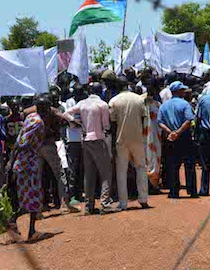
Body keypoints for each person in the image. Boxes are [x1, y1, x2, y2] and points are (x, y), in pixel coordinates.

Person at [64, 82, 115, 214]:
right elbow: (106, 126)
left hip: (85, 140)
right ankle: (105, 204)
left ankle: (88, 205)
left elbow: (66, 113)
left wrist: (76, 123)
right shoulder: (102, 104)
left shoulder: (82, 103)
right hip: (98, 139)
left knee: (89, 173)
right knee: (106, 172)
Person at [8, 96, 47, 240]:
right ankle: (25, 228)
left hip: (22, 163)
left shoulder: (31, 117)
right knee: (32, 198)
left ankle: (26, 228)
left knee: (27, 198)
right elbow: (22, 142)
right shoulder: (38, 122)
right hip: (28, 164)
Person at [109, 76, 150, 211]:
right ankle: (143, 199)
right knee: (141, 168)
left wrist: (114, 143)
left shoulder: (113, 101)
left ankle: (123, 203)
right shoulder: (139, 99)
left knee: (121, 171)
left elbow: (113, 124)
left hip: (121, 140)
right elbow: (144, 117)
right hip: (137, 138)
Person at [158, 81, 197, 199]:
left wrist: (171, 133)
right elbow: (189, 120)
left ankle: (174, 191)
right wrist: (178, 132)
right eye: (182, 90)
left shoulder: (164, 105)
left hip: (170, 138)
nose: (184, 92)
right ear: (178, 91)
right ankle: (192, 190)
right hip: (184, 137)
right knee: (189, 165)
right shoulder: (185, 104)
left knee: (172, 165)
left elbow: (160, 122)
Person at [63, 83, 86, 203]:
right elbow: (68, 117)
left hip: (84, 137)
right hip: (73, 139)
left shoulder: (85, 102)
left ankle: (80, 192)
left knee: (82, 167)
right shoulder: (69, 102)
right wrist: (77, 123)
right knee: (73, 167)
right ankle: (72, 194)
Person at [142, 78, 163, 190]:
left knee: (146, 157)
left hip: (144, 135)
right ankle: (152, 184)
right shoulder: (157, 104)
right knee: (155, 158)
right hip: (155, 135)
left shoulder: (141, 101)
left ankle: (147, 184)